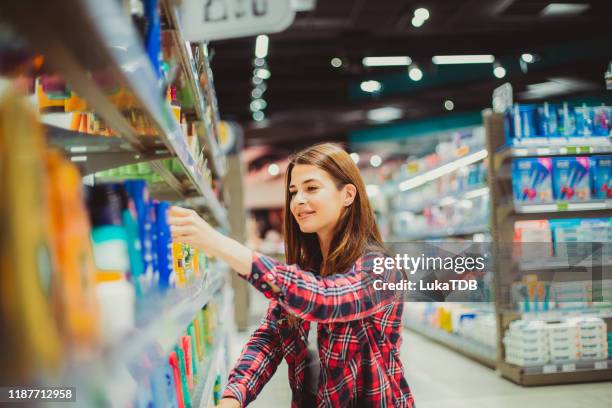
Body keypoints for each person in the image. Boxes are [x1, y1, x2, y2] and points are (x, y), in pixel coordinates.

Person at [169, 143, 414, 407]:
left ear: (348, 195)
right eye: (293, 191)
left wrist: (221, 245)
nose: (298, 201)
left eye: (311, 188)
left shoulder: (380, 268)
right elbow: (270, 338)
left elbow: (324, 300)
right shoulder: (307, 267)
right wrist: (232, 397)